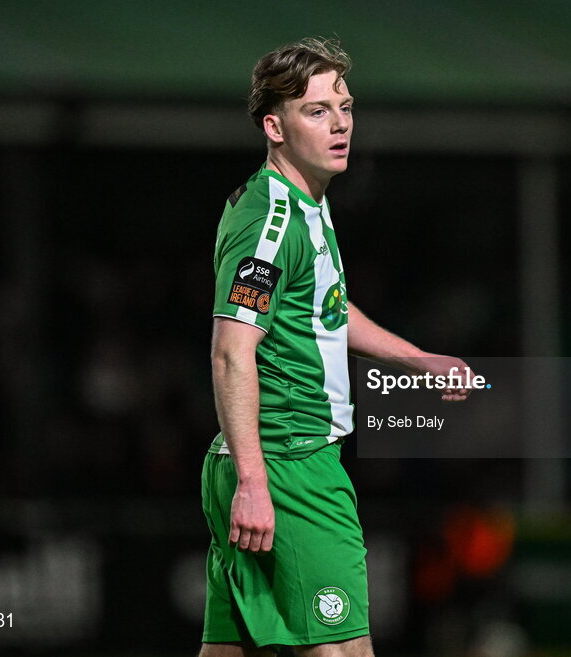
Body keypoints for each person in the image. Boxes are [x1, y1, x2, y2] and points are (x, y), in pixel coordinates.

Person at [200, 38, 472, 657]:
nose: (341, 123)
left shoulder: (305, 207)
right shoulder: (272, 224)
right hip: (288, 467)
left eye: (345, 107)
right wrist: (254, 481)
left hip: (262, 464)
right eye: (317, 111)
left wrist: (415, 359)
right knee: (346, 651)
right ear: (275, 125)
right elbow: (230, 351)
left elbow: (324, 307)